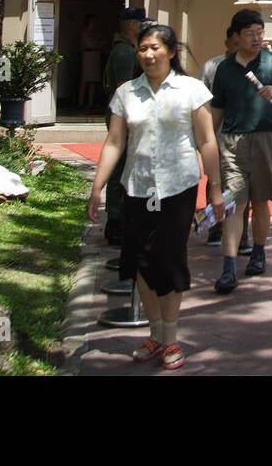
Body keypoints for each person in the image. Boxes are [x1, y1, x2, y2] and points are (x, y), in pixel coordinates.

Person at [87, 24, 224, 371]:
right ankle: (155, 333)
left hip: (178, 187)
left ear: (171, 52)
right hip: (139, 187)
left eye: (155, 48)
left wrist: (215, 187)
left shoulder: (191, 90)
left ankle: (172, 337)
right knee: (140, 261)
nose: (148, 55)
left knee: (169, 258)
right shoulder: (126, 93)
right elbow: (116, 142)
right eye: (142, 49)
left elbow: (207, 141)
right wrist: (97, 187)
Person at [210, 9, 272, 292]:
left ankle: (258, 252)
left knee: (260, 202)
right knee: (233, 204)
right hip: (232, 142)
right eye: (250, 33)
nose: (257, 38)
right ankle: (228, 267)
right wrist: (209, 145)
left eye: (260, 32)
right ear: (236, 35)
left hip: (266, 139)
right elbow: (217, 109)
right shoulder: (224, 69)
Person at [197, 26, 250, 250]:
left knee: (243, 187)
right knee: (216, 183)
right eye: (235, 44)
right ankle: (215, 228)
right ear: (227, 43)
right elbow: (199, 101)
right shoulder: (212, 67)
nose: (240, 48)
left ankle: (243, 236)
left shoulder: (252, 67)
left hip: (244, 138)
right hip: (217, 136)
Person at [100, 6, 145, 245]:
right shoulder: (126, 53)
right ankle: (116, 220)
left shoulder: (125, 50)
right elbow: (124, 88)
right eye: (140, 23)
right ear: (131, 25)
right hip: (123, 116)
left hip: (123, 115)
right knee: (120, 169)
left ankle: (118, 218)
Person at [79, 14, 105, 113]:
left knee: (94, 80)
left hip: (96, 55)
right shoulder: (84, 33)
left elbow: (101, 43)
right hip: (88, 55)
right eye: (92, 22)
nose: (93, 24)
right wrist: (98, 43)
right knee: (85, 79)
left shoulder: (97, 33)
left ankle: (90, 103)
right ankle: (81, 102)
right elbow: (91, 44)